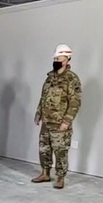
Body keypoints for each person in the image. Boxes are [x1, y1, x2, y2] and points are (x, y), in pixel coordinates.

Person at [33, 44, 81, 189]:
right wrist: (38, 113)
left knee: (60, 151)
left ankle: (60, 177)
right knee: (44, 149)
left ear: (67, 59)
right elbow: (43, 97)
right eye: (55, 58)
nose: (56, 60)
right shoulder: (50, 77)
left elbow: (75, 102)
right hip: (46, 122)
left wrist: (67, 121)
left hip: (60, 123)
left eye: (58, 58)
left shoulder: (72, 79)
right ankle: (45, 173)